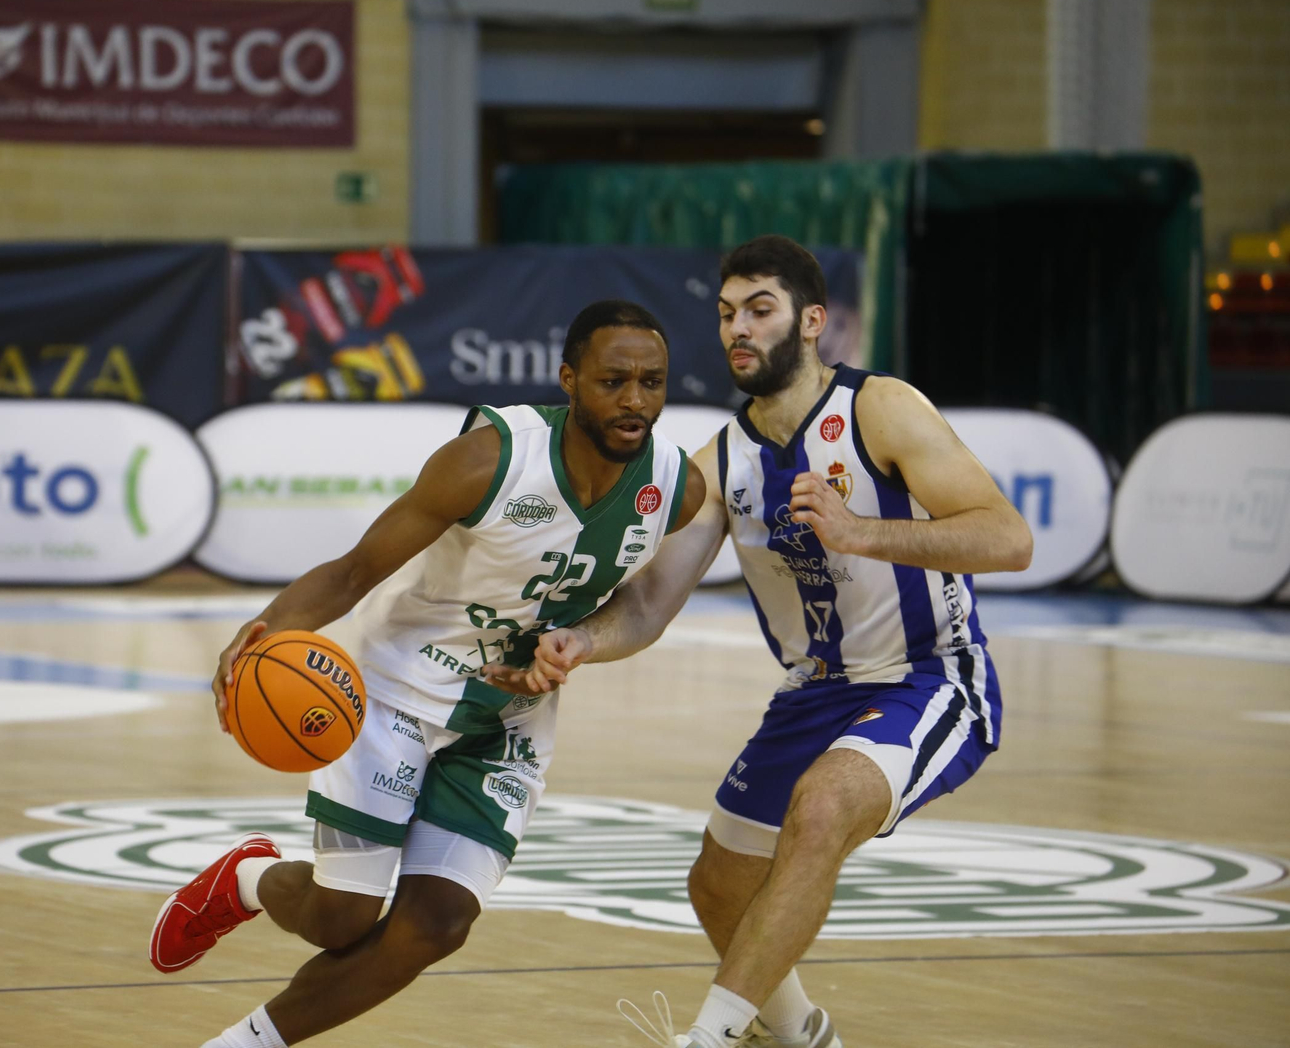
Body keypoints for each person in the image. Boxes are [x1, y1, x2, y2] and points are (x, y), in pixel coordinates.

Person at [499, 237, 1032, 1048]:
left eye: (759, 310)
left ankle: (707, 1037)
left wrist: (861, 531)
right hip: (813, 691)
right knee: (717, 887)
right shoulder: (719, 460)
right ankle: (801, 1036)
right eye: (724, 315)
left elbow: (1008, 538)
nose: (737, 330)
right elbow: (647, 604)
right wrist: (579, 640)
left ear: (813, 321)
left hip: (928, 678)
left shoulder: (880, 408)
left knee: (822, 804)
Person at [148, 299, 707, 1048]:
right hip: (396, 692)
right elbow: (354, 572)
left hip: (507, 719)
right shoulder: (487, 461)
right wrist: (261, 636)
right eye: (613, 381)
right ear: (569, 380)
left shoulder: (675, 489)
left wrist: (580, 640)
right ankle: (247, 878)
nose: (635, 400)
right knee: (340, 918)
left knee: (438, 922)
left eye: (652, 381)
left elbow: (638, 608)